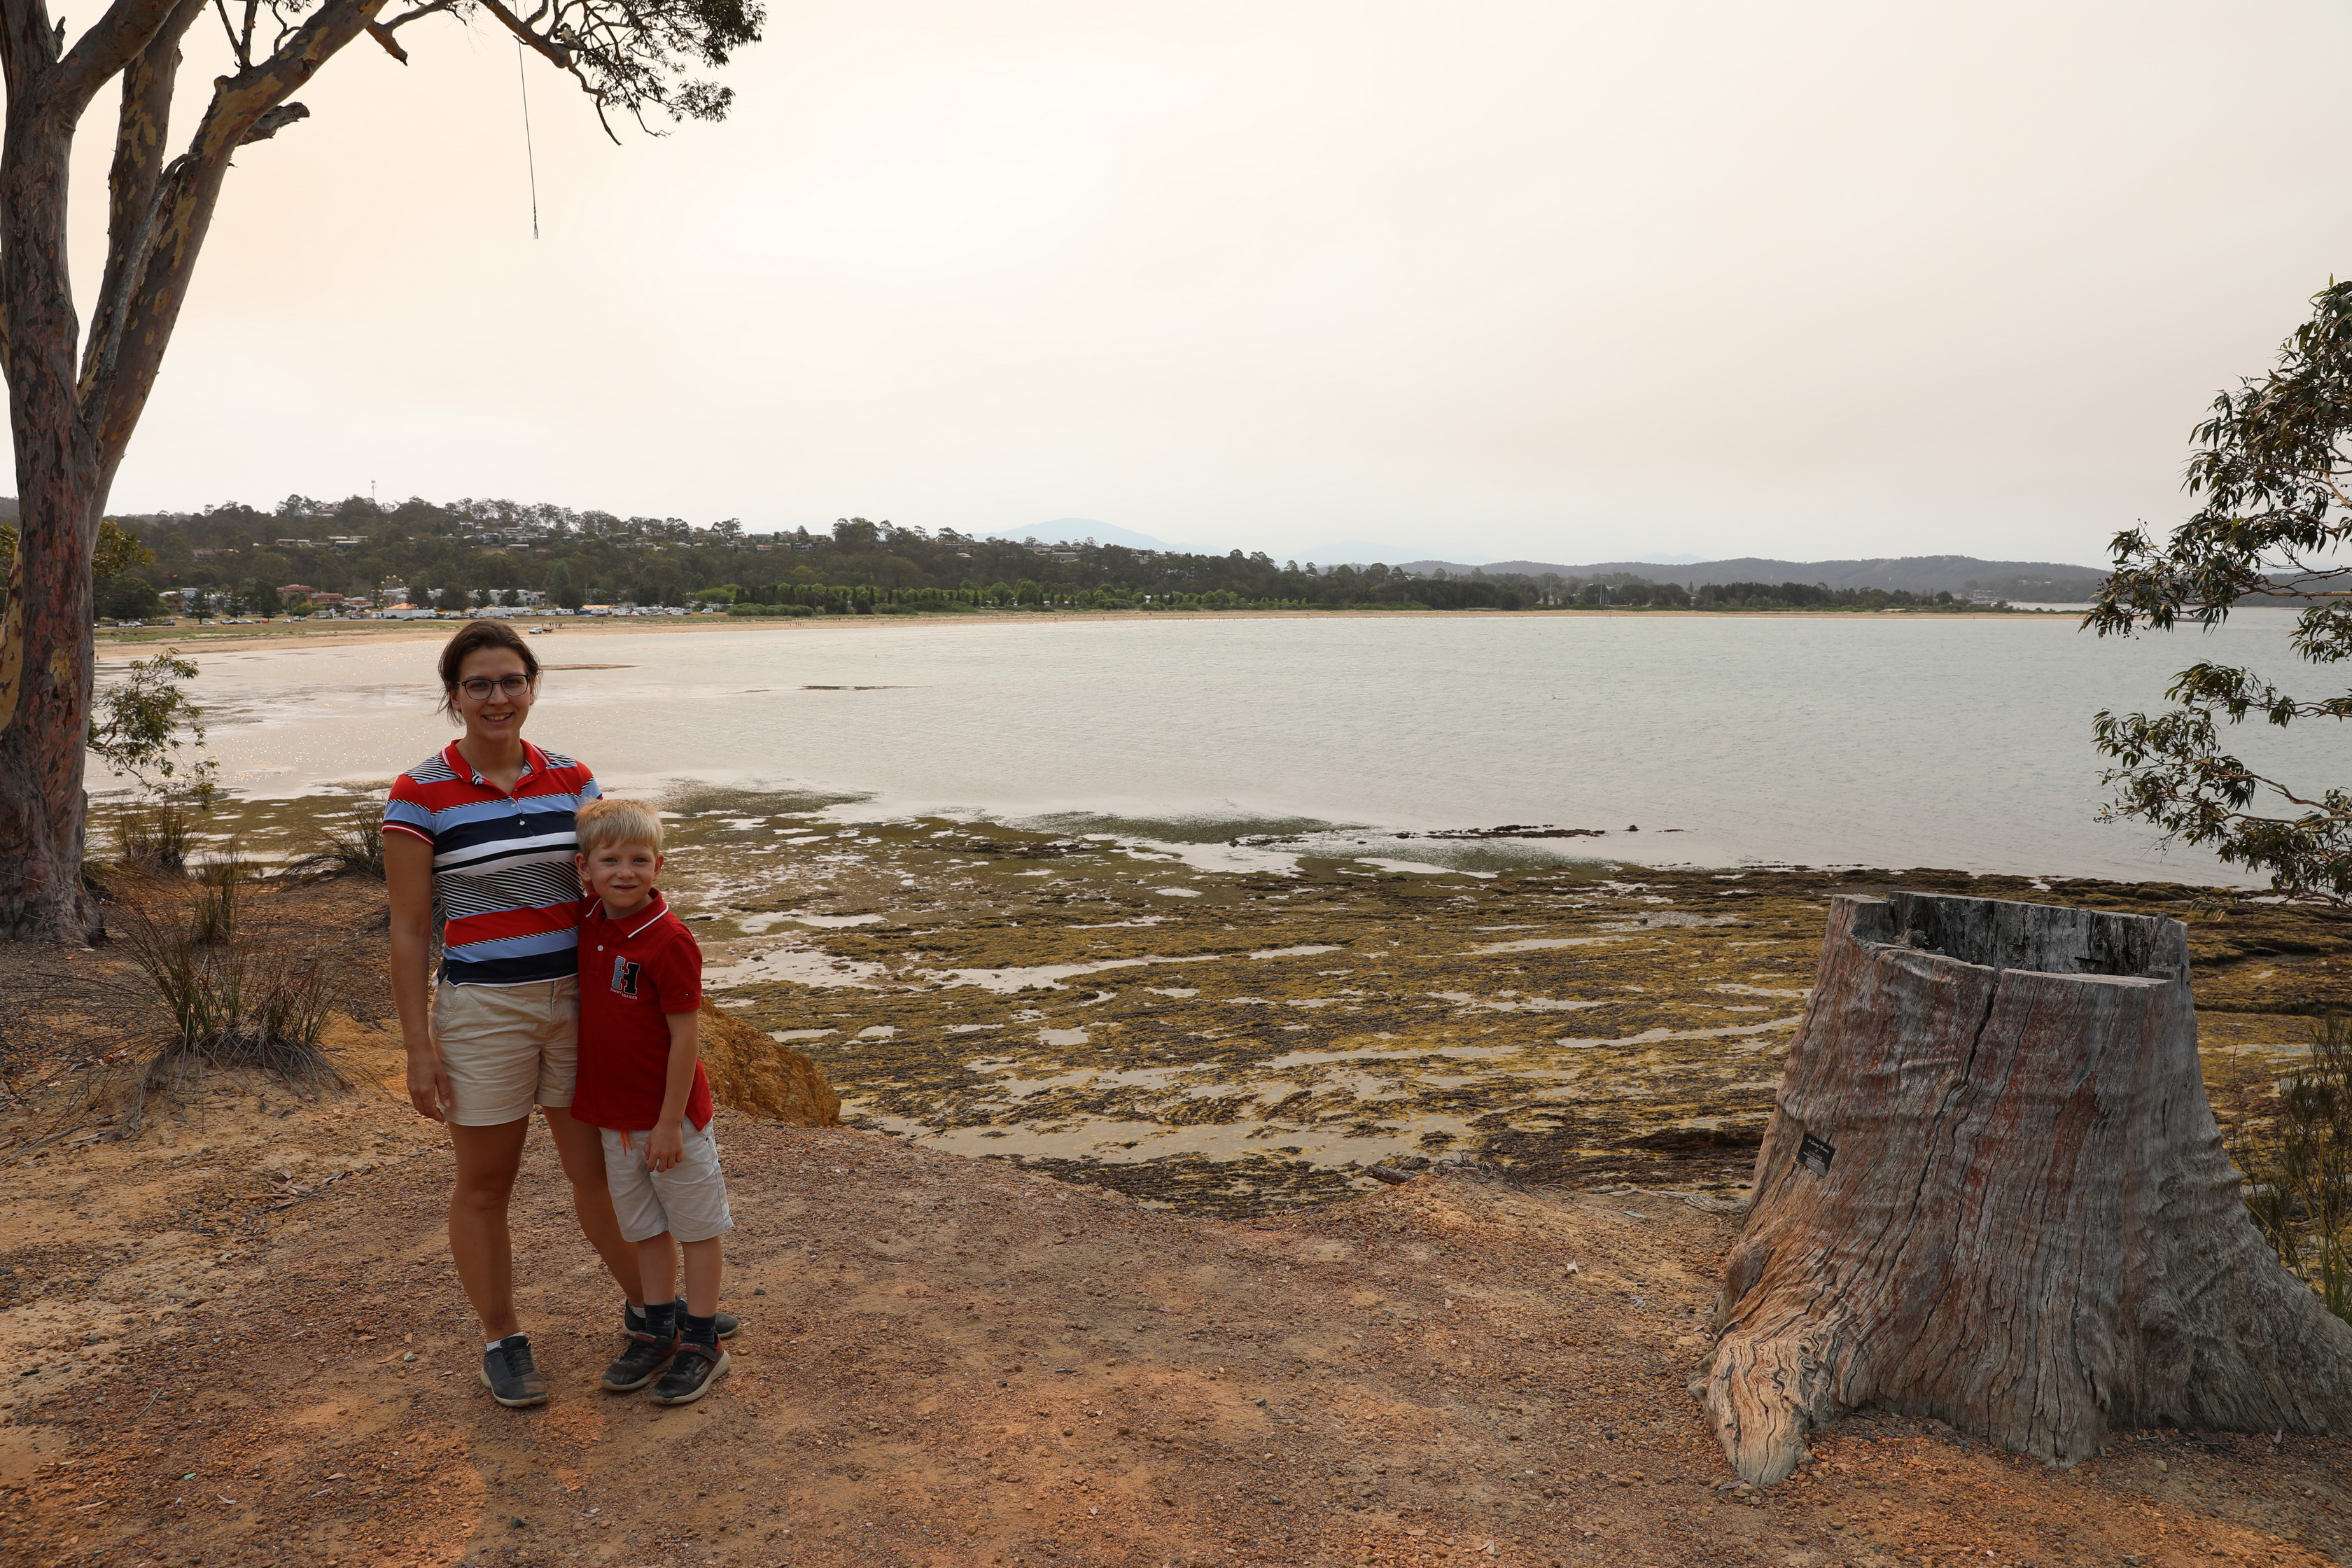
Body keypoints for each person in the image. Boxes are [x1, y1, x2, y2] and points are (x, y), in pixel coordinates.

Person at [382, 621, 731, 1409]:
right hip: (484, 1011)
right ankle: (503, 1340)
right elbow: (409, 927)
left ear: (532, 687)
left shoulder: (574, 778)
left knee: (599, 1173)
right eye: (479, 684)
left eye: (512, 681)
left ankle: (653, 1314)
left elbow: (613, 873)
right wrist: (418, 1045)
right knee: (485, 1184)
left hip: (581, 1004)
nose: (497, 698)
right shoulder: (419, 793)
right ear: (454, 695)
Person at [568, 797, 735, 1405]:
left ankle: (703, 1342)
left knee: (696, 1228)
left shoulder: (669, 941)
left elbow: (685, 1038)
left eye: (639, 860)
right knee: (645, 1229)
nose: (625, 872)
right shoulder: (589, 921)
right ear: (584, 868)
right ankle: (659, 1329)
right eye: (610, 860)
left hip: (671, 1123)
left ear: (658, 866)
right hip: (615, 1122)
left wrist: (669, 1123)